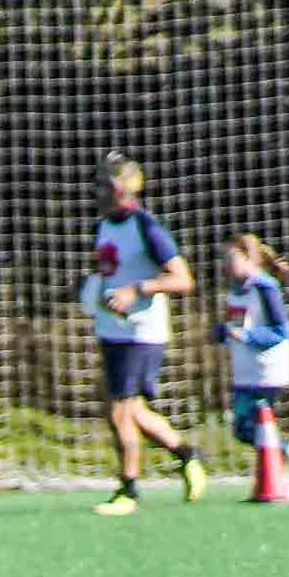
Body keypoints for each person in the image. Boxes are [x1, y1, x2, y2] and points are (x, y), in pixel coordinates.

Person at [82, 150, 200, 510]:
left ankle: (128, 490)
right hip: (112, 329)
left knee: (121, 410)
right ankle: (187, 455)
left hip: (141, 332)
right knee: (128, 412)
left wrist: (137, 290)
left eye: (105, 184)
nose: (97, 190)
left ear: (125, 190)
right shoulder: (102, 226)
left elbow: (183, 279)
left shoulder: (147, 227)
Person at [213, 234, 289, 485]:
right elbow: (234, 325)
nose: (225, 266)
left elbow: (282, 331)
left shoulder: (264, 287)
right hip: (244, 370)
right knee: (243, 429)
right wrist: (221, 332)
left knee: (252, 425)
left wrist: (248, 336)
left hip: (268, 369)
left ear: (249, 259)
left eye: (231, 259)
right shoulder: (233, 291)